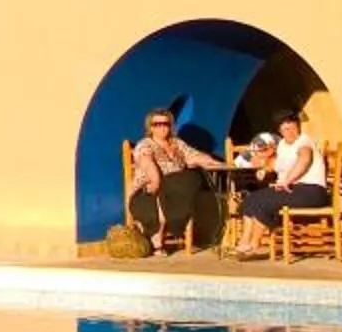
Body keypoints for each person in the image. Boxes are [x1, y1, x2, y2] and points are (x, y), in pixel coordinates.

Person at [128, 109, 230, 253]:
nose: (162, 127)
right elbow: (147, 163)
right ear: (150, 127)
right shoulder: (145, 144)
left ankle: (189, 233)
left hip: (176, 190)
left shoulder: (176, 143)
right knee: (189, 178)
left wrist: (216, 164)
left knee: (195, 178)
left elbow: (194, 156)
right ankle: (159, 235)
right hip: (148, 191)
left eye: (166, 123)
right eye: (157, 124)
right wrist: (156, 179)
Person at [237, 111, 328, 257]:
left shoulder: (304, 142)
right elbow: (277, 164)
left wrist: (287, 181)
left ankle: (254, 246)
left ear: (298, 128)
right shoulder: (283, 146)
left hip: (311, 191)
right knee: (251, 199)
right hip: (292, 189)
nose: (290, 132)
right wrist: (265, 169)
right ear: (279, 131)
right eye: (285, 129)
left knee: (263, 202)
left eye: (292, 128)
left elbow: (304, 160)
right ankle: (244, 242)